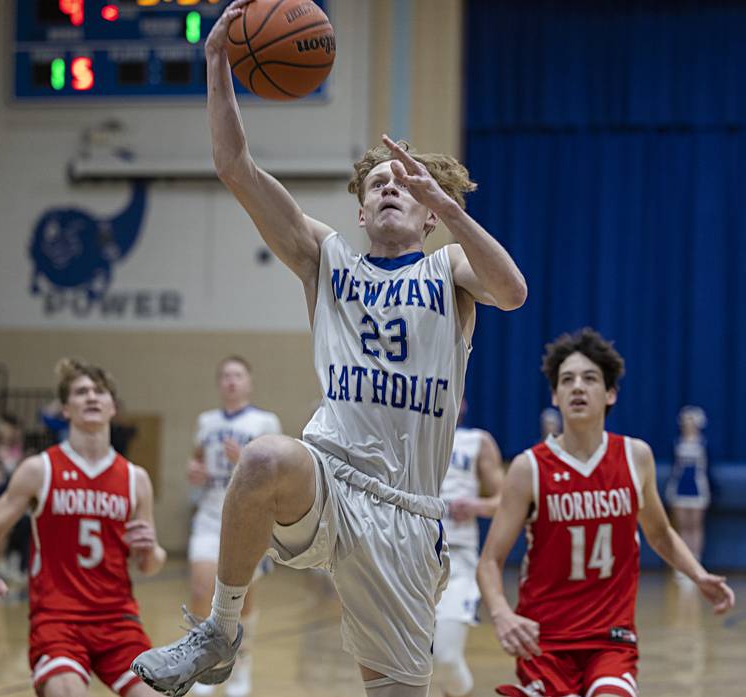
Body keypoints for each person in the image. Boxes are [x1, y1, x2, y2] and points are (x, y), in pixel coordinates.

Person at [132, 3, 526, 696]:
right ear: (362, 211)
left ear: (430, 213)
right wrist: (217, 64)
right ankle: (221, 631)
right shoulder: (328, 258)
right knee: (263, 458)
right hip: (331, 478)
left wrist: (458, 214)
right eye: (378, 185)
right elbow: (234, 165)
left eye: (406, 185)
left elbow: (513, 290)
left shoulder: (449, 272)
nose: (391, 189)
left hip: (407, 515)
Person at [477, 328, 735, 697]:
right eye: (567, 380)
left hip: (611, 639)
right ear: (555, 394)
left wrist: (698, 574)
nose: (577, 387)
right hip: (546, 642)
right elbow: (490, 560)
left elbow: (659, 533)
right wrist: (501, 613)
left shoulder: (635, 457)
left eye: (590, 378)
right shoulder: (528, 467)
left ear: (610, 393)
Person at [0, 358, 167, 697]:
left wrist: (150, 549)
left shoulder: (136, 479)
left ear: (112, 407)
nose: (91, 397)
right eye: (81, 392)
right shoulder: (39, 469)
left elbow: (149, 565)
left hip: (118, 621)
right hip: (58, 620)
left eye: (99, 391)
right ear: (65, 409)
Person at [186, 356, 282, 697]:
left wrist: (245, 461)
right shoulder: (206, 421)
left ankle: (241, 664)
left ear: (249, 382)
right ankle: (205, 663)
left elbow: (277, 474)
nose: (231, 381)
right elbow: (196, 460)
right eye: (225, 375)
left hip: (249, 521)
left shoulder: (264, 421)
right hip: (210, 514)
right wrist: (194, 472)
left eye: (238, 375)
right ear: (219, 382)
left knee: (242, 601)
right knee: (201, 592)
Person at [432, 399, 503, 697]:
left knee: (445, 656)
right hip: (408, 555)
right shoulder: (407, 436)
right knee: (407, 663)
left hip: (457, 557)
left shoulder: (477, 442)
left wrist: (476, 505)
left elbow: (507, 500)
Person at [664, 405, 710, 571]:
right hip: (679, 490)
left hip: (698, 490)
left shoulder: (704, 444)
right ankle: (683, 564)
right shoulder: (676, 443)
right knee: (681, 527)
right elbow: (674, 469)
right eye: (686, 421)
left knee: (695, 527)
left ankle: (696, 561)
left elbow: (707, 470)